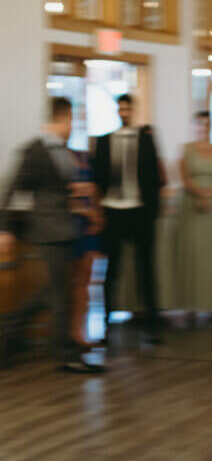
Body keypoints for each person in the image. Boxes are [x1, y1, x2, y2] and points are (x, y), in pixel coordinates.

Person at [0, 97, 103, 373]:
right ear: (63, 119)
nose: (73, 126)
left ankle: (7, 330)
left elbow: (60, 190)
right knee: (59, 294)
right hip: (48, 231)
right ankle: (66, 355)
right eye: (71, 120)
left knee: (55, 292)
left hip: (67, 228)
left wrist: (79, 196)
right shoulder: (35, 150)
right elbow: (11, 188)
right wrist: (5, 228)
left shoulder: (64, 151)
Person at [93, 93, 164, 344]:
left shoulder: (146, 140)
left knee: (146, 269)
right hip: (113, 210)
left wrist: (153, 211)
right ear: (117, 110)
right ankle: (106, 321)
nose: (124, 112)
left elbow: (156, 178)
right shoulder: (104, 142)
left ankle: (152, 323)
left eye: (127, 108)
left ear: (133, 110)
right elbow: (97, 178)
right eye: (120, 108)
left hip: (140, 211)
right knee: (112, 269)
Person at [176, 112, 212, 325]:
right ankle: (190, 305)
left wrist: (210, 195)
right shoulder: (186, 150)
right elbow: (184, 177)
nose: (204, 128)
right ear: (194, 126)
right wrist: (200, 194)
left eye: (207, 124)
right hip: (191, 205)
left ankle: (211, 305)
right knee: (192, 255)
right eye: (200, 124)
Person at [70, 148, 103, 349]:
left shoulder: (86, 156)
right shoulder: (62, 157)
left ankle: (80, 330)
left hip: (89, 228)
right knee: (72, 282)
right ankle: (71, 331)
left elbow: (95, 189)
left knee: (86, 281)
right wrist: (86, 212)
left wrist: (97, 213)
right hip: (72, 224)